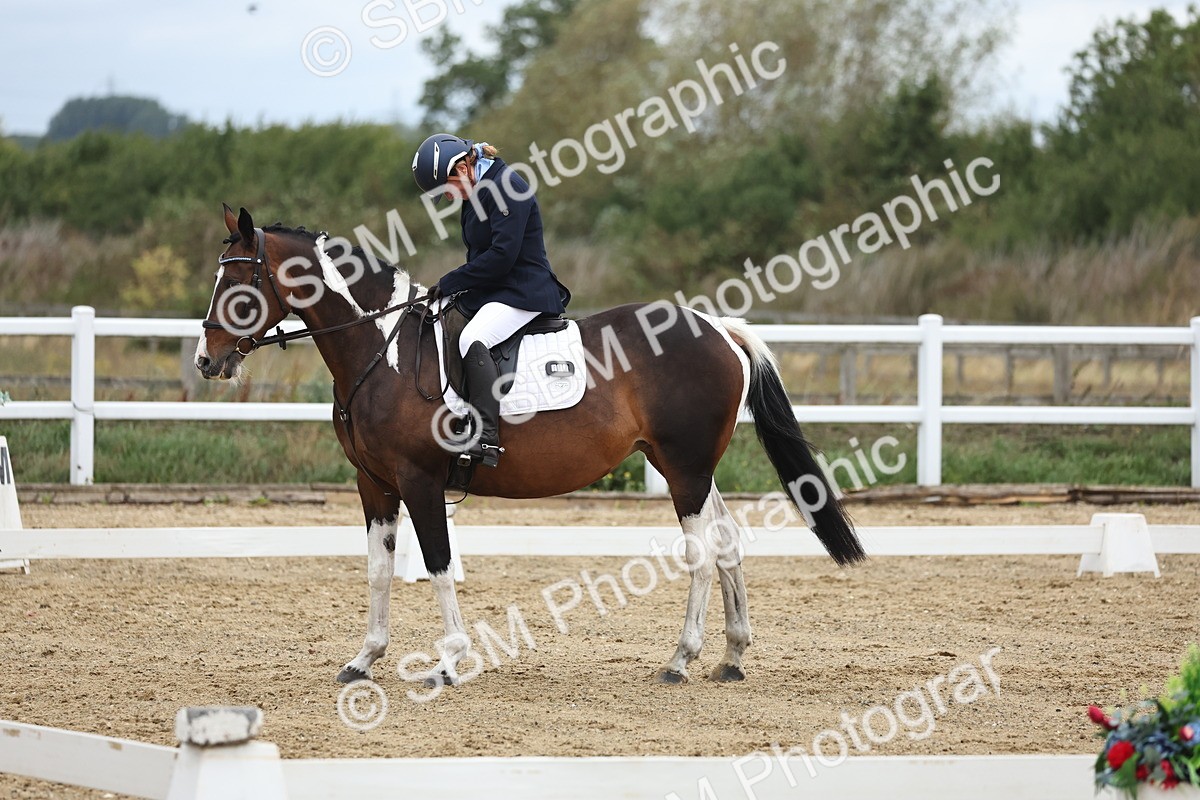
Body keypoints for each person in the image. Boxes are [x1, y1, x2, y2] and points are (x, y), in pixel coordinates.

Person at [411, 133, 571, 468]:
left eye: (448, 188)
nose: (450, 196)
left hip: (522, 289)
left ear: (462, 167)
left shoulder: (508, 187)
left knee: (473, 337)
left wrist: (451, 281)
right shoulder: (476, 190)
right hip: (495, 289)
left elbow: (501, 257)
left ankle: (486, 436)